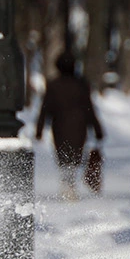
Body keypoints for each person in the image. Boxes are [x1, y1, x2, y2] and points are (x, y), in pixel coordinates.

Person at [35, 53, 104, 199]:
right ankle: (70, 184)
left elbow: (45, 108)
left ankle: (67, 184)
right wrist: (97, 128)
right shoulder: (81, 84)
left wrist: (39, 129)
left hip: (59, 126)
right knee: (76, 155)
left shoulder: (53, 85)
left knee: (63, 155)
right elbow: (89, 107)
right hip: (79, 126)